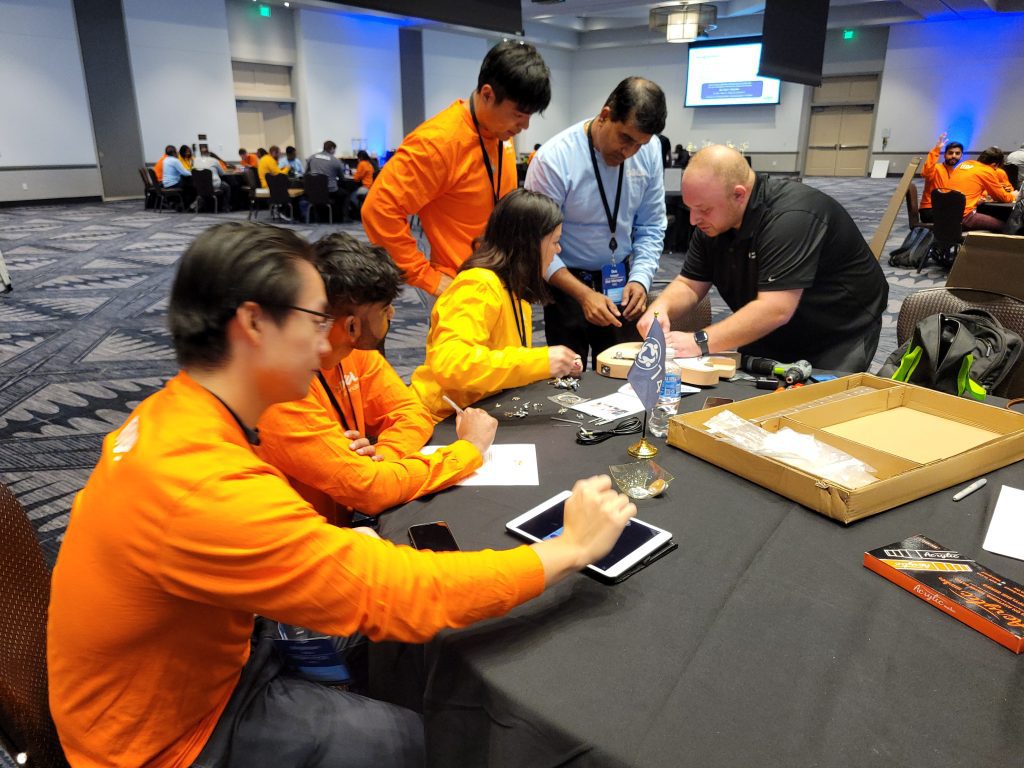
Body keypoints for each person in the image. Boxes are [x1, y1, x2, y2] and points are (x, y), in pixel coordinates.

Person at [46, 221, 636, 768]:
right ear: (253, 325)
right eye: (314, 317)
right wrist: (568, 549)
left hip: (199, 664)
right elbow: (395, 591)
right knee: (422, 739)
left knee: (400, 663)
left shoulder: (177, 415)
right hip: (165, 740)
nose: (329, 338)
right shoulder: (201, 485)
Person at [257, 232, 494, 523]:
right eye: (384, 309)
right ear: (353, 326)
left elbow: (410, 412)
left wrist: (383, 456)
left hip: (341, 520)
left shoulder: (353, 351)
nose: (393, 313)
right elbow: (370, 492)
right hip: (304, 537)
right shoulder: (281, 391)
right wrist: (469, 449)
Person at [639, 145, 888, 372]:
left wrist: (699, 341)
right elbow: (689, 284)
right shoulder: (712, 224)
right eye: (689, 209)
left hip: (838, 332)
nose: (693, 220)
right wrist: (661, 309)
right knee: (748, 399)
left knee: (814, 406)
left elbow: (775, 309)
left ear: (739, 195)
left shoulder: (792, 216)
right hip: (771, 331)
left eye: (703, 210)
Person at [362, 40, 551, 298]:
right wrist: (426, 277)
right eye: (519, 114)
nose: (525, 126)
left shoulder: (499, 132)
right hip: (459, 286)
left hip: (499, 278)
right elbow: (378, 209)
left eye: (530, 116)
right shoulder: (438, 142)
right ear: (487, 94)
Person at [525, 76, 667, 370]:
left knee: (623, 376)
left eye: (639, 145)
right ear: (605, 116)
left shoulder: (648, 152)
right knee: (568, 378)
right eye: (625, 139)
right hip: (565, 283)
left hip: (620, 282)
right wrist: (583, 293)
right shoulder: (555, 159)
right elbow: (536, 243)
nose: (629, 152)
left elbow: (652, 225)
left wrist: (640, 277)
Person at [411, 189, 582, 422]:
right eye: (554, 242)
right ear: (529, 245)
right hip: (442, 419)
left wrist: (554, 365)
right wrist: (540, 362)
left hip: (480, 410)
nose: (558, 250)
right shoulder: (478, 285)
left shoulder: (514, 288)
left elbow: (502, 355)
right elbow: (452, 363)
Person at [948, 146, 1016, 232]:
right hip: (964, 217)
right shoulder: (987, 171)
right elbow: (1003, 197)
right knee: (1007, 227)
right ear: (995, 165)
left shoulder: (962, 165)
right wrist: (1014, 196)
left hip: (944, 216)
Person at [919, 133, 962, 223]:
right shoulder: (936, 168)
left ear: (961, 156)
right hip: (930, 209)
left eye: (957, 153)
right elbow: (925, 173)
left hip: (946, 208)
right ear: (944, 155)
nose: (954, 155)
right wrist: (936, 149)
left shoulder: (958, 172)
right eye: (950, 153)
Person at [308, 140, 355, 220]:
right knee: (346, 194)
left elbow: (306, 173)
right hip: (330, 190)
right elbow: (342, 178)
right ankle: (344, 217)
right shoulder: (335, 161)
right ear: (332, 149)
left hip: (314, 191)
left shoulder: (311, 157)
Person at [192, 146, 230, 212]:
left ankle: (202, 205)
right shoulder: (214, 160)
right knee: (227, 187)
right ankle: (225, 207)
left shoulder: (195, 160)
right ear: (209, 153)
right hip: (213, 185)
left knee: (205, 189)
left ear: (201, 154)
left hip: (199, 186)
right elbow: (222, 173)